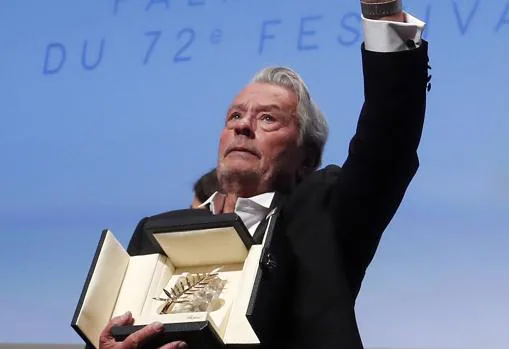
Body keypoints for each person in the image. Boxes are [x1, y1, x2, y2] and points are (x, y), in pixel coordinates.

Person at [98, 0, 430, 348]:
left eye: (268, 118)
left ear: (307, 158)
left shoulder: (323, 219)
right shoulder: (154, 233)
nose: (243, 126)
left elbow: (388, 140)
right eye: (235, 116)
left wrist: (381, 10)